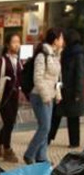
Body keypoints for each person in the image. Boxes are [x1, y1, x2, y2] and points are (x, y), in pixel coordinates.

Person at [24, 28, 64, 164]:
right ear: (55, 40)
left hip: (49, 96)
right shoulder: (42, 55)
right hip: (39, 96)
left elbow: (55, 79)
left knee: (46, 127)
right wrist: (46, 96)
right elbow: (38, 79)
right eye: (61, 38)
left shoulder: (54, 55)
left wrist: (57, 94)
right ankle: (29, 154)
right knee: (45, 127)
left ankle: (41, 157)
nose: (63, 41)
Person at [0, 33, 23, 163]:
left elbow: (20, 78)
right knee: (9, 122)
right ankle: (7, 149)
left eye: (18, 42)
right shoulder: (2, 61)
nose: (17, 45)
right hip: (4, 96)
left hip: (14, 96)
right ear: (7, 44)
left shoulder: (18, 61)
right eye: (14, 42)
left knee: (9, 122)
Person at [50, 28, 83, 149]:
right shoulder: (66, 52)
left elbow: (79, 74)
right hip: (63, 89)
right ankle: (48, 137)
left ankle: (74, 142)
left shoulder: (78, 54)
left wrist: (78, 93)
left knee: (72, 117)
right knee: (57, 114)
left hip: (72, 91)